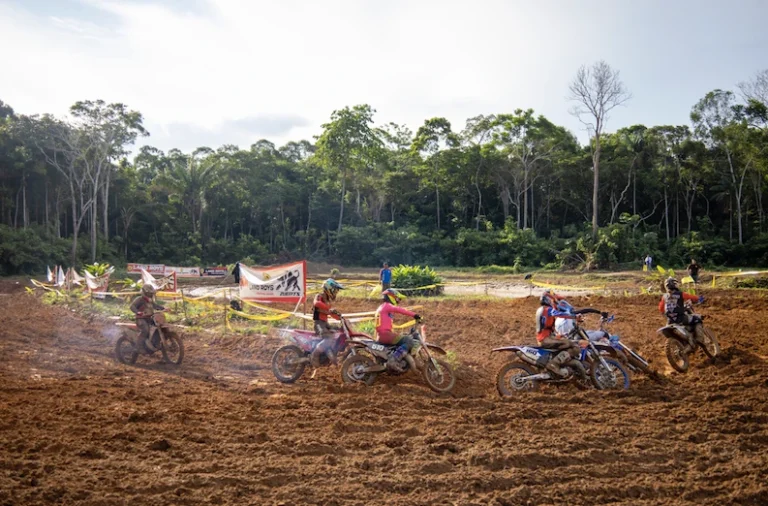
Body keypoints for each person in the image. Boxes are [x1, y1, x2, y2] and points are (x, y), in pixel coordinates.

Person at [375, 288, 420, 373]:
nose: (398, 301)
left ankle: (396, 359)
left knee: (402, 336)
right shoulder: (387, 306)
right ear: (391, 297)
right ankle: (394, 360)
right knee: (408, 340)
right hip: (385, 335)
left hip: (382, 335)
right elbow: (400, 310)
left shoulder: (382, 307)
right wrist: (415, 315)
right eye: (397, 298)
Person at [659, 277, 705, 346]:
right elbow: (692, 297)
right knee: (697, 319)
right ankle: (699, 339)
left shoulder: (664, 296)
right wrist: (699, 298)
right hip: (681, 318)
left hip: (670, 321)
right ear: (675, 285)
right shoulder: (680, 294)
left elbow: (661, 308)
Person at [309, 278, 345, 368]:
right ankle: (314, 355)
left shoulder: (327, 301)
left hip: (325, 324)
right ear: (329, 289)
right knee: (328, 338)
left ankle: (330, 353)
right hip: (318, 324)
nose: (336, 292)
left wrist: (339, 317)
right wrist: (329, 309)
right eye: (335, 290)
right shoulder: (319, 296)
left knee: (338, 331)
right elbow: (316, 303)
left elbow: (330, 313)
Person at [129, 284, 165, 353]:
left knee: (158, 327)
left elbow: (155, 306)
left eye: (151, 294)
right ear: (144, 293)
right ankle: (138, 346)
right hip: (140, 319)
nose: (150, 295)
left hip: (150, 318)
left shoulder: (150, 300)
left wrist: (164, 308)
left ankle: (154, 343)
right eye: (149, 293)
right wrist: (138, 312)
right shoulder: (139, 299)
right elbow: (132, 307)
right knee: (145, 329)